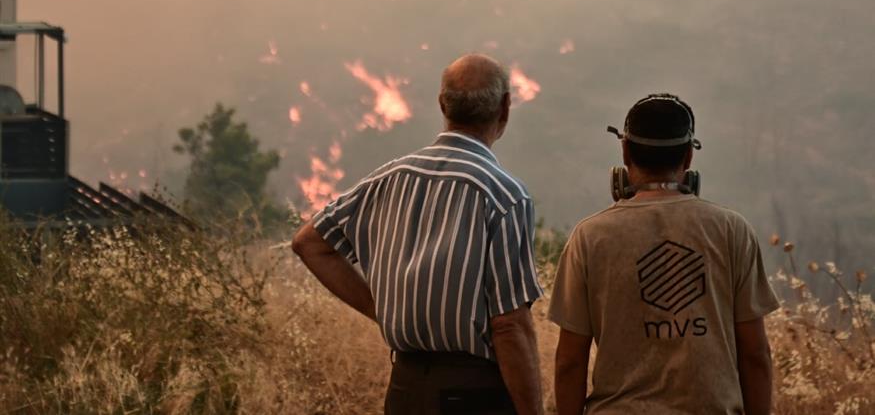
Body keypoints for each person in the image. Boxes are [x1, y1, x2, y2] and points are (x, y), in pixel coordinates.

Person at [293, 53, 544, 415]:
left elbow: (308, 243)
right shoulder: (504, 197)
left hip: (405, 388)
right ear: (505, 108)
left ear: (442, 104)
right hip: (474, 395)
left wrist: (382, 310)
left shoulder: (389, 178)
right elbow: (508, 325)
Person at [549, 93, 780, 415]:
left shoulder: (590, 237)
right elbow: (755, 355)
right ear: (688, 158)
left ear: (625, 152)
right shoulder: (732, 231)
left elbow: (570, 362)